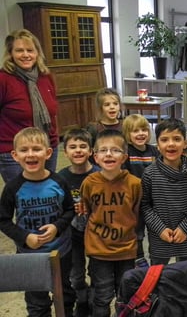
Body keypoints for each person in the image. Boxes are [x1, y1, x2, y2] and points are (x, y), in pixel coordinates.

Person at [0, 127, 75, 316]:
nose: (30, 154)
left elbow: (69, 210)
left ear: (48, 153)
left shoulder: (59, 182)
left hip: (61, 251)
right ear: (15, 155)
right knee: (36, 301)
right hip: (29, 254)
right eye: (24, 150)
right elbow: (3, 220)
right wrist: (25, 237)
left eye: (36, 149)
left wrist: (57, 227)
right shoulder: (12, 187)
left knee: (65, 294)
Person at [78, 129, 142, 317]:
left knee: (127, 295)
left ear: (124, 157)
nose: (108, 154)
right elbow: (87, 211)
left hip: (126, 249)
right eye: (103, 150)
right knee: (102, 295)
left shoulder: (134, 184)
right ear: (95, 157)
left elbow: (137, 214)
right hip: (99, 250)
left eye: (115, 150)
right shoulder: (89, 183)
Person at [141, 118, 187, 265]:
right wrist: (160, 229)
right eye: (164, 140)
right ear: (157, 145)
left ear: (185, 143)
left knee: (186, 274)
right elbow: (145, 206)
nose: (171, 144)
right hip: (160, 236)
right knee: (158, 276)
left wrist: (185, 227)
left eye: (177, 139)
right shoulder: (149, 174)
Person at [0, 29, 59, 184]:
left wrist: (53, 140)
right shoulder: (3, 79)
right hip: (14, 153)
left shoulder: (45, 77)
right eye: (19, 50)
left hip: (47, 147)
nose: (26, 55)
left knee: (48, 193)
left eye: (30, 50)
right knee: (24, 197)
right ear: (10, 53)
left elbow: (52, 113)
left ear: (37, 53)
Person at [57, 128, 100, 317]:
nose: (78, 150)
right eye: (72, 147)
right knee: (76, 272)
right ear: (65, 152)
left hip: (97, 233)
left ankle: (93, 301)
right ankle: (81, 299)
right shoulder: (61, 177)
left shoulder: (99, 174)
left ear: (91, 151)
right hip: (71, 233)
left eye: (83, 146)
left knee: (97, 269)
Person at [122, 114, 159, 266]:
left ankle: (155, 256)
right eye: (135, 131)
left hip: (152, 200)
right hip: (134, 201)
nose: (140, 134)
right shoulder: (127, 153)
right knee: (137, 231)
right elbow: (124, 176)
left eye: (144, 130)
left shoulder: (153, 151)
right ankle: (139, 258)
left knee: (154, 229)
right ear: (127, 134)